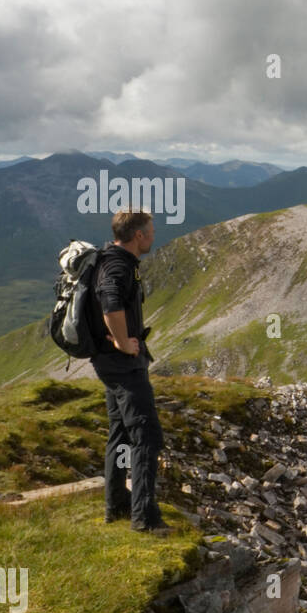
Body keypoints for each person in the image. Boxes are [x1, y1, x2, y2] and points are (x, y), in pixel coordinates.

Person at [90, 207, 169, 533]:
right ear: (138, 235)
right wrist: (123, 343)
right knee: (146, 436)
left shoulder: (114, 261)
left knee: (120, 432)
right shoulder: (118, 266)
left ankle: (117, 506)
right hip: (122, 364)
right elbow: (110, 302)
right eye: (150, 230)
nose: (153, 235)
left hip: (112, 363)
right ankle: (145, 519)